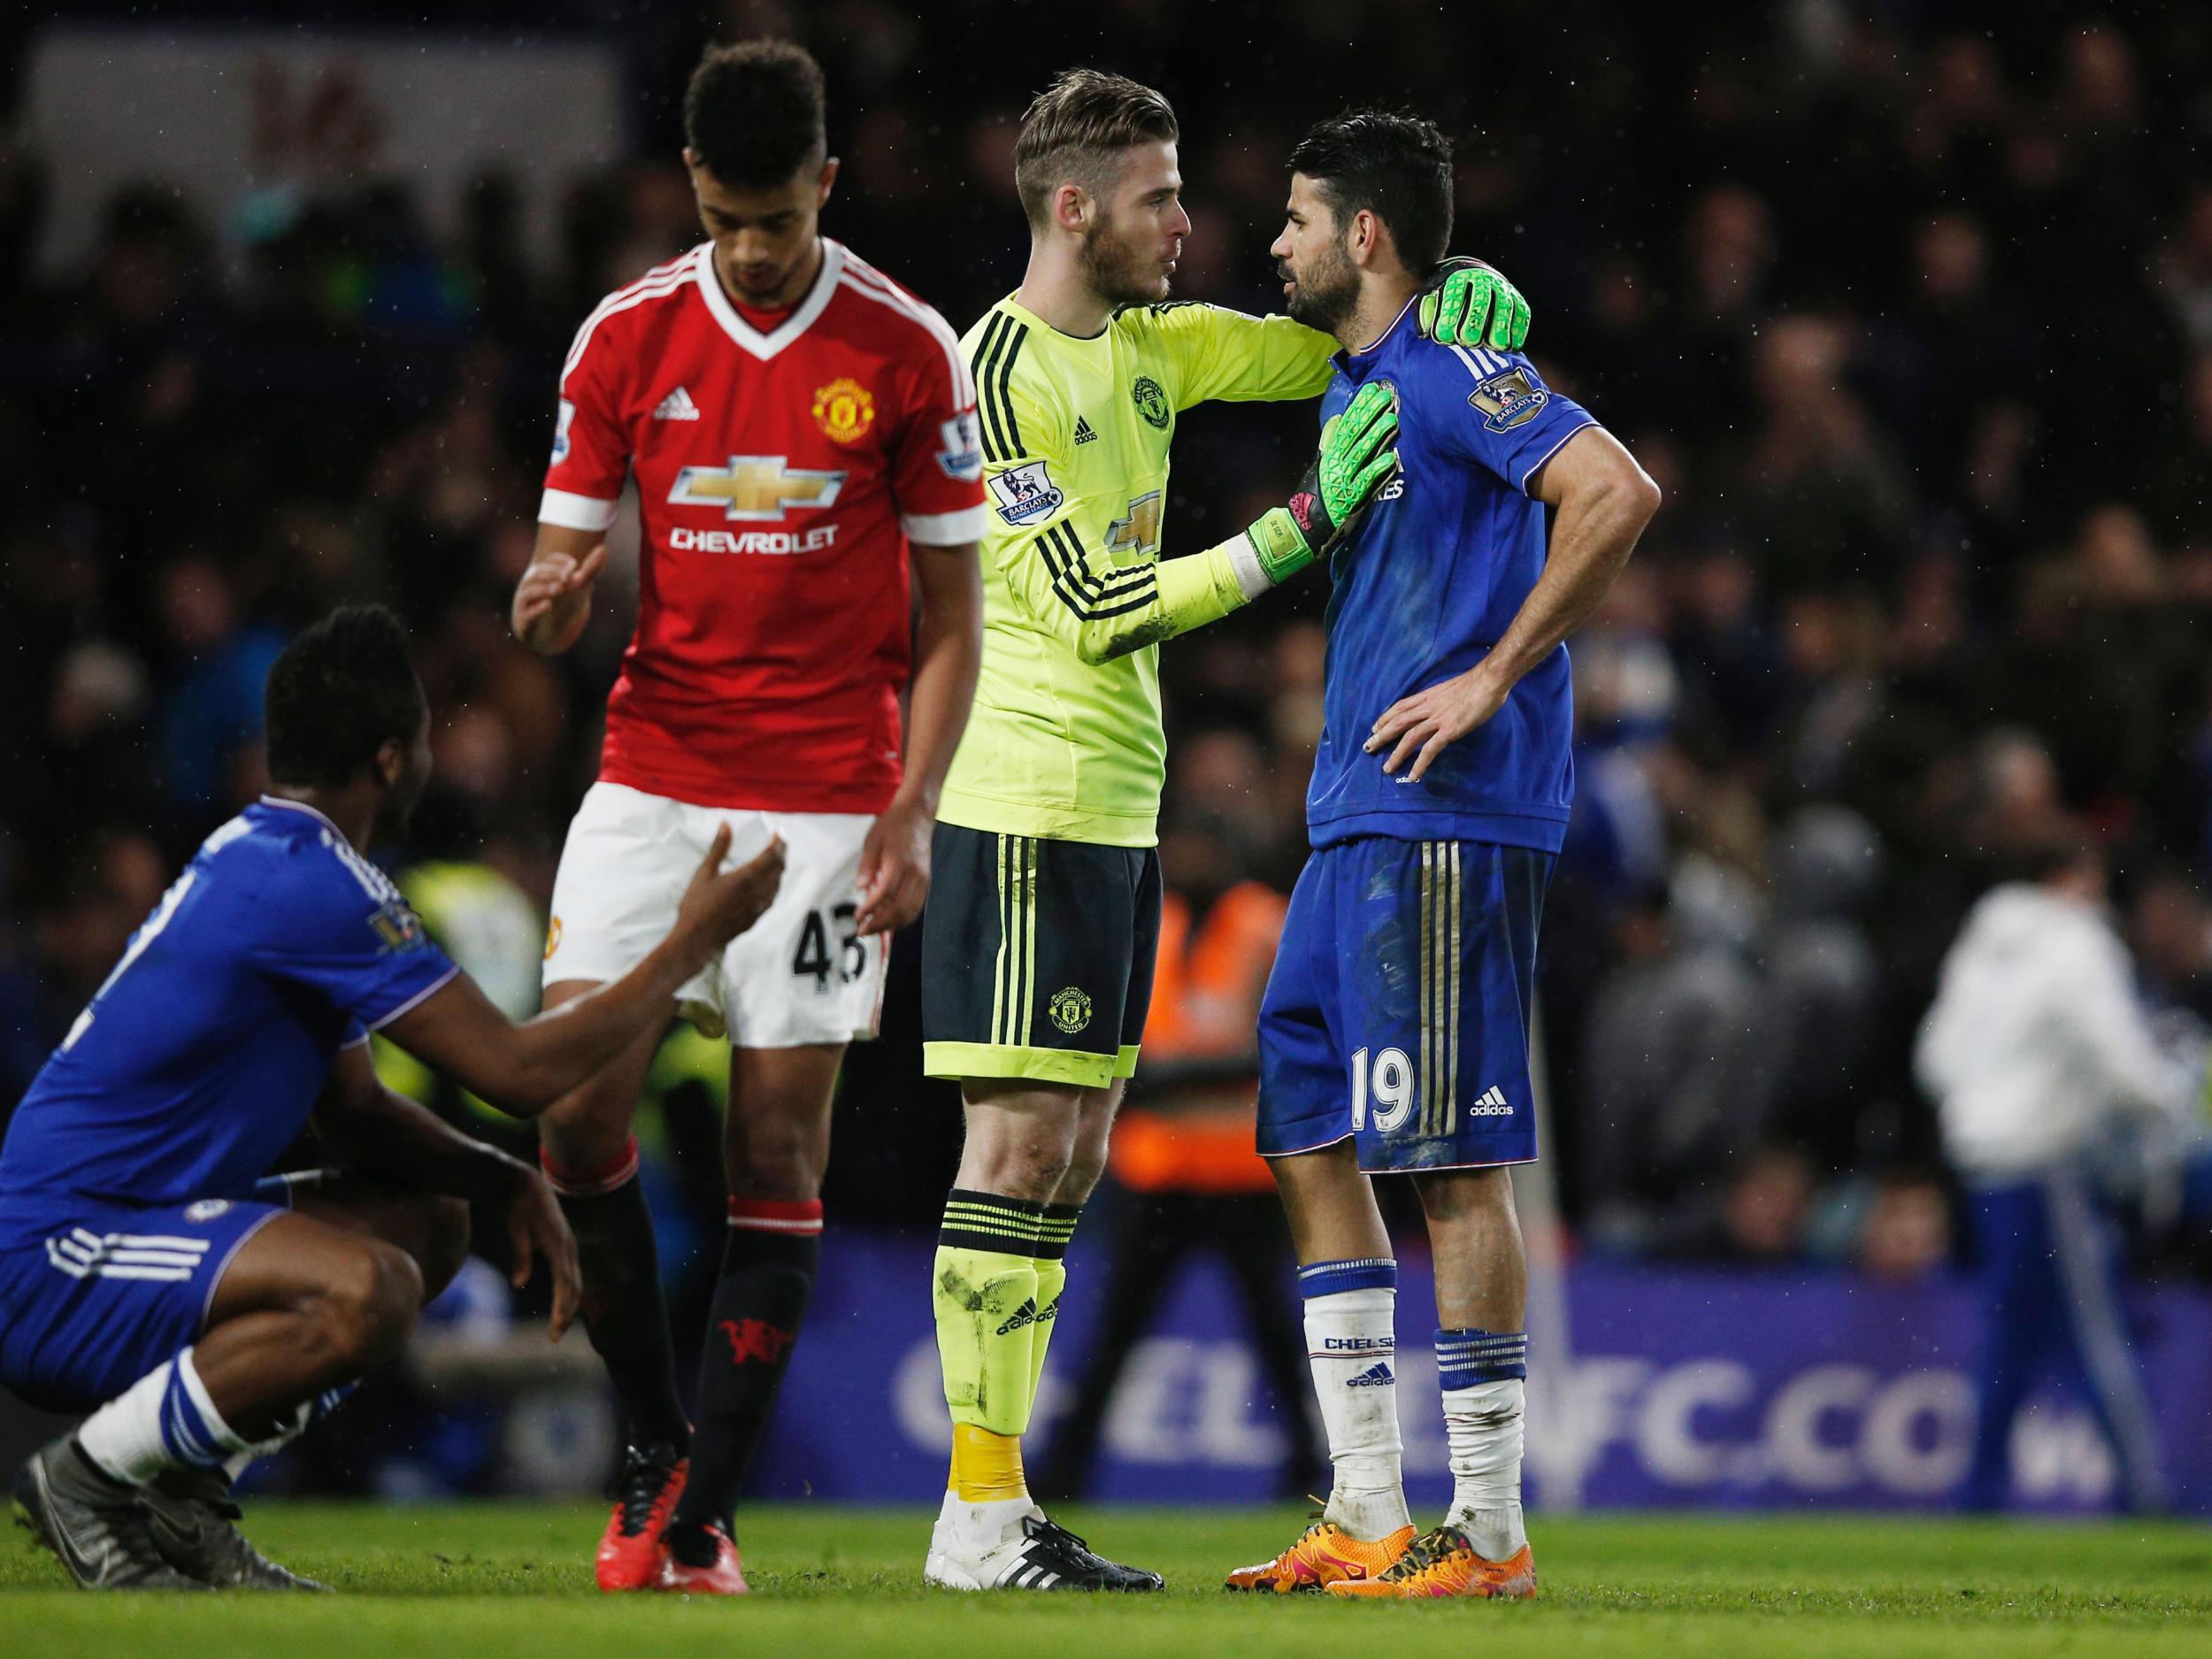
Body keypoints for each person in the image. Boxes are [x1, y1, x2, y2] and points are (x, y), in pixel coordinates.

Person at [916, 67, 1531, 1593]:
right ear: (1074, 207)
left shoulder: (1157, 348)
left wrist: (1461, 283)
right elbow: (1090, 603)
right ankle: (979, 1513)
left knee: (1068, 1151)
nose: (1192, 223)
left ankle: (1002, 1514)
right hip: (1023, 798)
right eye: (1159, 197)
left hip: (1116, 811)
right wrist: (1298, 529)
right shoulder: (996, 373)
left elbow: (1344, 321)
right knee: (1015, 1138)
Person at [0, 605, 785, 1592]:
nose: (428, 759)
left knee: (430, 1219)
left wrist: (497, 1180)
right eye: (421, 740)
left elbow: (356, 1113)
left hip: (131, 1224)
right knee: (364, 1291)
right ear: (387, 760)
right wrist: (688, 945)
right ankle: (94, 1474)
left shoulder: (272, 859)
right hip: (62, 1251)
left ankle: (181, 1496)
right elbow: (518, 1070)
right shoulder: (312, 884)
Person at [510, 42, 986, 1594]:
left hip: (831, 805)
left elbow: (954, 622)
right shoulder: (626, 338)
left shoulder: (908, 350)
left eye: (775, 219)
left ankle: (703, 1517)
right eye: (723, 220)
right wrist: (550, 596)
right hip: (654, 778)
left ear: (826, 187)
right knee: (574, 1110)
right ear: (693, 197)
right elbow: (557, 579)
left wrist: (914, 809)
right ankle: (651, 1446)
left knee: (777, 1144)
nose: (750, 251)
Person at [1230, 111, 1659, 1600]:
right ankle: (1360, 1504)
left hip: (1448, 814)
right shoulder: (1361, 386)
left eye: (1294, 218)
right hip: (1356, 820)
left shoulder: (1456, 369)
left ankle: (1486, 1535)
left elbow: (1615, 493)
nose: (1271, 243)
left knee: (1454, 1165)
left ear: (1365, 235)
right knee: (1303, 1123)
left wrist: (1491, 673)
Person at [1916, 837, 2202, 1513]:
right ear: (2068, 875)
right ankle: (2144, 1490)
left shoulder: (1980, 947)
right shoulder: (2074, 941)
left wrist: (1981, 1107)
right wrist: (2169, 1097)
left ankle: (1980, 1490)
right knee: (2094, 1326)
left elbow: (1936, 1056)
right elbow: (2117, 1055)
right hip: (2048, 1164)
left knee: (2010, 1333)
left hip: (1984, 1163)